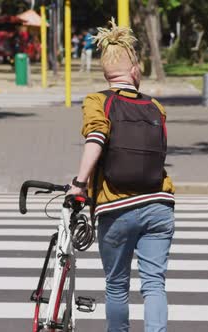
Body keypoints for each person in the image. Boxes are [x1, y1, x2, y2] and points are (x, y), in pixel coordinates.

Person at [67, 19, 175, 332]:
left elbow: (96, 138)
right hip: (159, 203)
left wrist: (79, 183)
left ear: (106, 73)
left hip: (116, 208)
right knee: (155, 284)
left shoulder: (98, 100)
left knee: (116, 286)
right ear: (135, 70)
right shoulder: (156, 106)